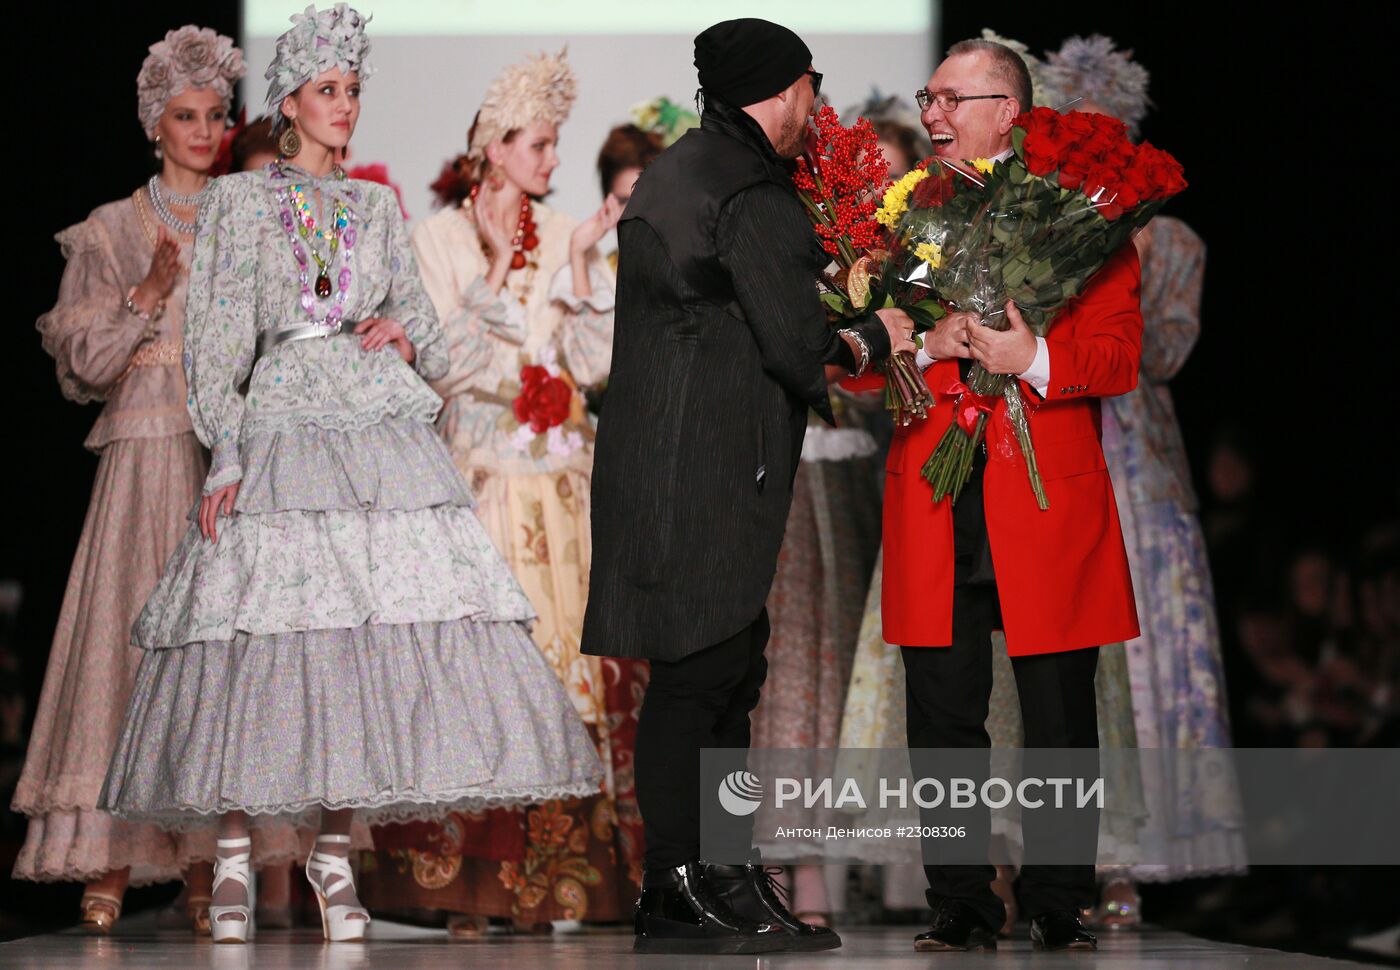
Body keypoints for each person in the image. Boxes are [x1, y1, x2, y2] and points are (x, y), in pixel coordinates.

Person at [97, 5, 600, 945]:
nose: (345, 105)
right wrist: (228, 453)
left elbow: (434, 334)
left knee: (356, 646)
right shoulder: (242, 201)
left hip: (372, 437)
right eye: (327, 90)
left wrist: (407, 334)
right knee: (260, 639)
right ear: (289, 100)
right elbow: (214, 344)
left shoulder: (375, 205)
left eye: (355, 89)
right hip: (284, 425)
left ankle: (334, 857)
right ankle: (238, 855)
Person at [580, 17, 915, 955]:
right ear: (780, 90)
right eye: (813, 83)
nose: (818, 101)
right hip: (710, 470)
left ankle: (716, 880)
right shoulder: (750, 192)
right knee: (701, 683)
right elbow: (803, 347)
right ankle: (686, 883)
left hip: (660, 464)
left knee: (718, 677)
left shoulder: (681, 169)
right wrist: (882, 330)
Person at [360, 48, 644, 936]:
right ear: (494, 146)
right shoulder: (435, 241)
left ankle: (563, 876)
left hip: (561, 489)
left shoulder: (567, 233)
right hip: (478, 484)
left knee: (573, 671)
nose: (555, 163)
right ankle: (466, 885)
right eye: (540, 146)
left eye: (557, 147)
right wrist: (489, 268)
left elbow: (596, 362)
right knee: (476, 675)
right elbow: (443, 369)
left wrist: (592, 261)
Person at [880, 38, 1142, 952]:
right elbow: (863, 367)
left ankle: (1061, 898)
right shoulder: (905, 213)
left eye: (954, 98)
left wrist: (1024, 356)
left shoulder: (1083, 215)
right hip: (937, 489)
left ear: (1010, 111)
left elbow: (1118, 357)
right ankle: (958, 898)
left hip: (1041, 499)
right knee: (942, 714)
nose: (935, 114)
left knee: (1059, 717)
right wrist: (924, 344)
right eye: (931, 97)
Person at [12, 26, 248, 936]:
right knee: (126, 647)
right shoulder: (111, 228)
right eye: (184, 116)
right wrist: (146, 293)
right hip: (143, 459)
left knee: (212, 660)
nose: (202, 129)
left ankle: (202, 861)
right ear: (156, 124)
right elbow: (80, 363)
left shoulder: (241, 218)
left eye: (215, 115)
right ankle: (110, 858)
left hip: (221, 459)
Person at [1038, 32, 1247, 923]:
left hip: (1141, 468)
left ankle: (1128, 862)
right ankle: (1050, 859)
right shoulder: (1034, 227)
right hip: (1055, 441)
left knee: (1146, 654)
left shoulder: (1172, 241)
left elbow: (1158, 352)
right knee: (1061, 663)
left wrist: (1109, 264)